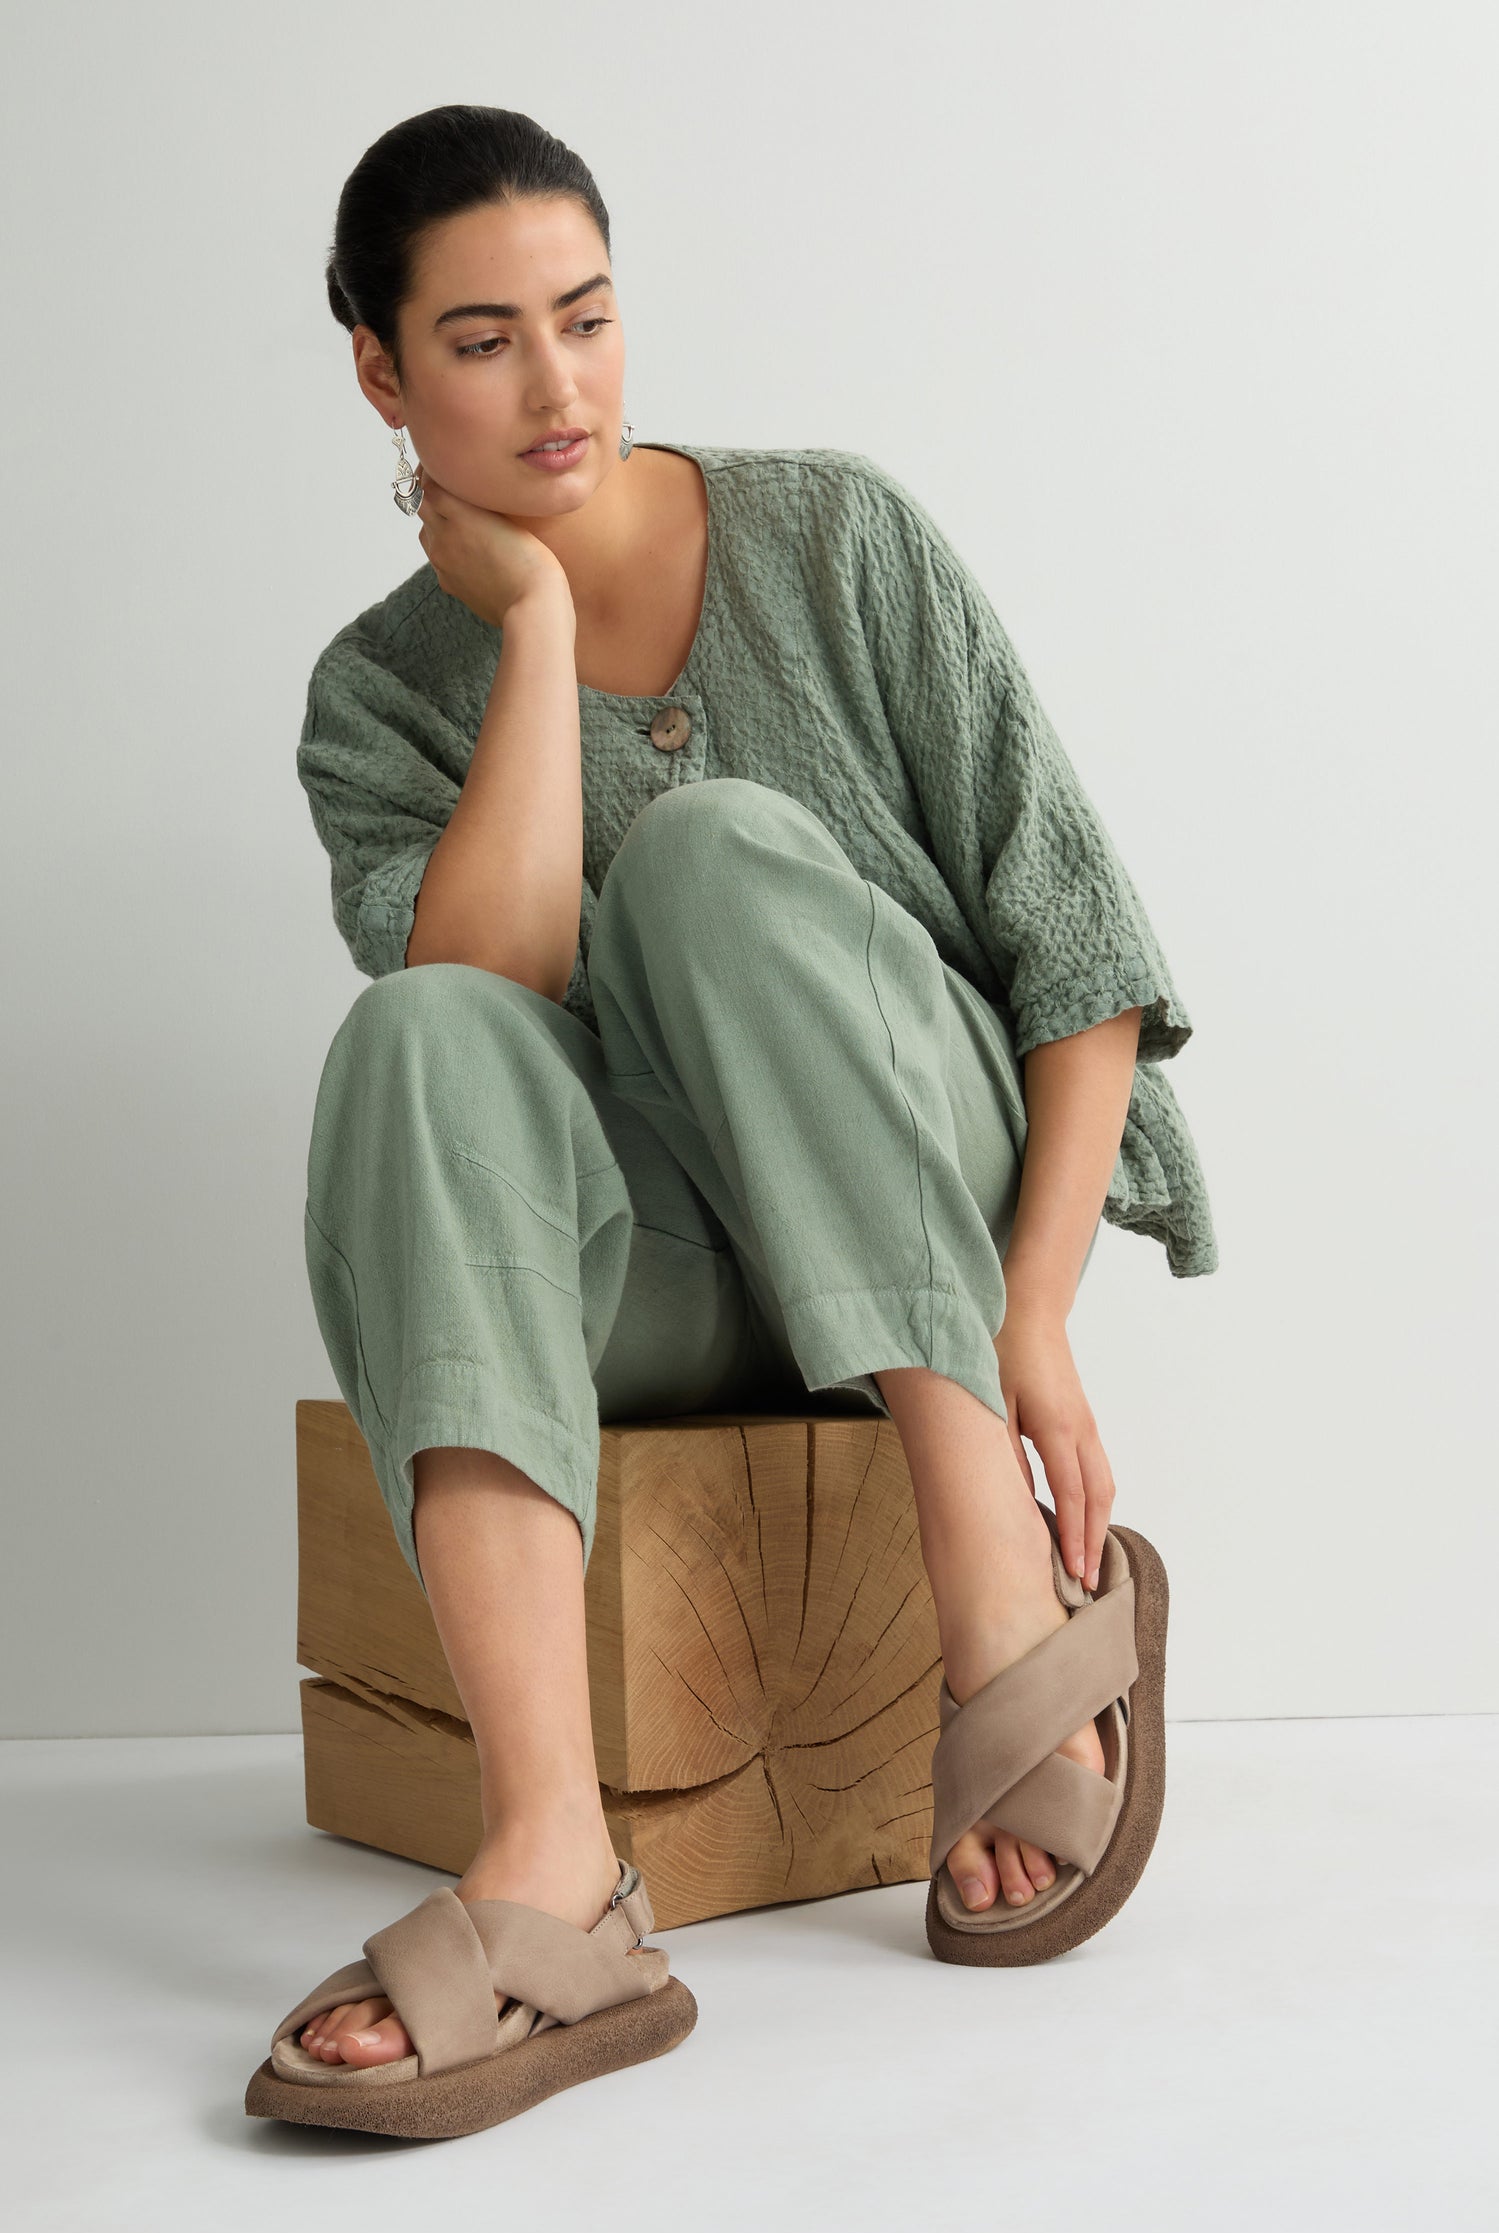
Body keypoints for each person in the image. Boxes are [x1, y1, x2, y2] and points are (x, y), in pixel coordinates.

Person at [284, 105, 1217, 2082]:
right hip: (692, 1280)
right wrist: (531, 629)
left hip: (928, 1179)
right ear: (379, 368)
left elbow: (1080, 958)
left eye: (589, 317)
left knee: (705, 852)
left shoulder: (836, 537)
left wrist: (1033, 1314)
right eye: (479, 340)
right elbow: (496, 1006)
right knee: (412, 1034)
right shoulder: (380, 696)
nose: (558, 386)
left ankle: (993, 1584)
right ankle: (554, 1859)